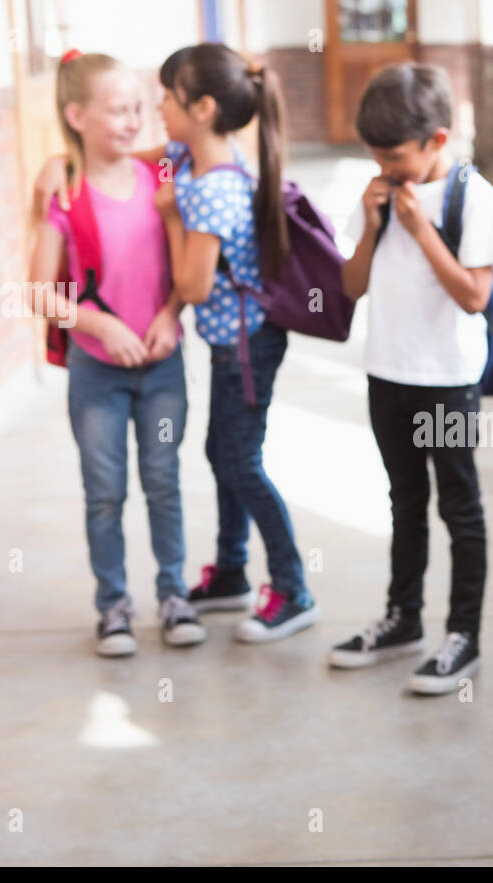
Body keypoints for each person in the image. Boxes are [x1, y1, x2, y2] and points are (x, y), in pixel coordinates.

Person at [329, 64, 493, 694]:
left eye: (395, 155)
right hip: (387, 373)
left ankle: (463, 634)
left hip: (449, 380)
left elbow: (474, 297)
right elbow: (350, 287)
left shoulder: (472, 197)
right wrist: (376, 225)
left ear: (436, 140)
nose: (384, 165)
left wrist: (419, 230)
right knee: (403, 502)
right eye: (374, 154)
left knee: (459, 506)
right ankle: (403, 617)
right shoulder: (375, 194)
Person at [27, 50, 204, 656]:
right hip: (96, 374)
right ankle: (114, 607)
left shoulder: (161, 180)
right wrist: (98, 324)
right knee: (104, 490)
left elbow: (183, 268)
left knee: (163, 480)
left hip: (162, 366)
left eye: (138, 109)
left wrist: (168, 315)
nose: (133, 121)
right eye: (118, 110)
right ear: (76, 114)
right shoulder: (65, 194)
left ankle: (175, 595)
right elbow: (38, 293)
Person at [153, 42, 319, 643]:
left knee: (240, 463)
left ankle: (294, 588)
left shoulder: (213, 189)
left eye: (165, 99)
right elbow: (160, 154)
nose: (156, 109)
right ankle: (229, 572)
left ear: (200, 107)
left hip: (246, 347)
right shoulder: (197, 155)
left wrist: (170, 214)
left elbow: (194, 286)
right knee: (220, 454)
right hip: (234, 345)